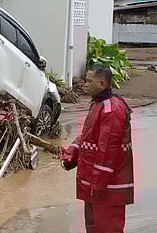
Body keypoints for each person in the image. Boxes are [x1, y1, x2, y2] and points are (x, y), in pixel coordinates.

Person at [61, 64, 134, 233]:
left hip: (106, 187)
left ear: (101, 83)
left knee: (107, 229)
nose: (84, 84)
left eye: (88, 80)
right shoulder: (97, 105)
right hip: (94, 185)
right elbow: (89, 138)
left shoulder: (111, 109)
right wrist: (72, 152)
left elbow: (108, 150)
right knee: (93, 228)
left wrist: (98, 185)